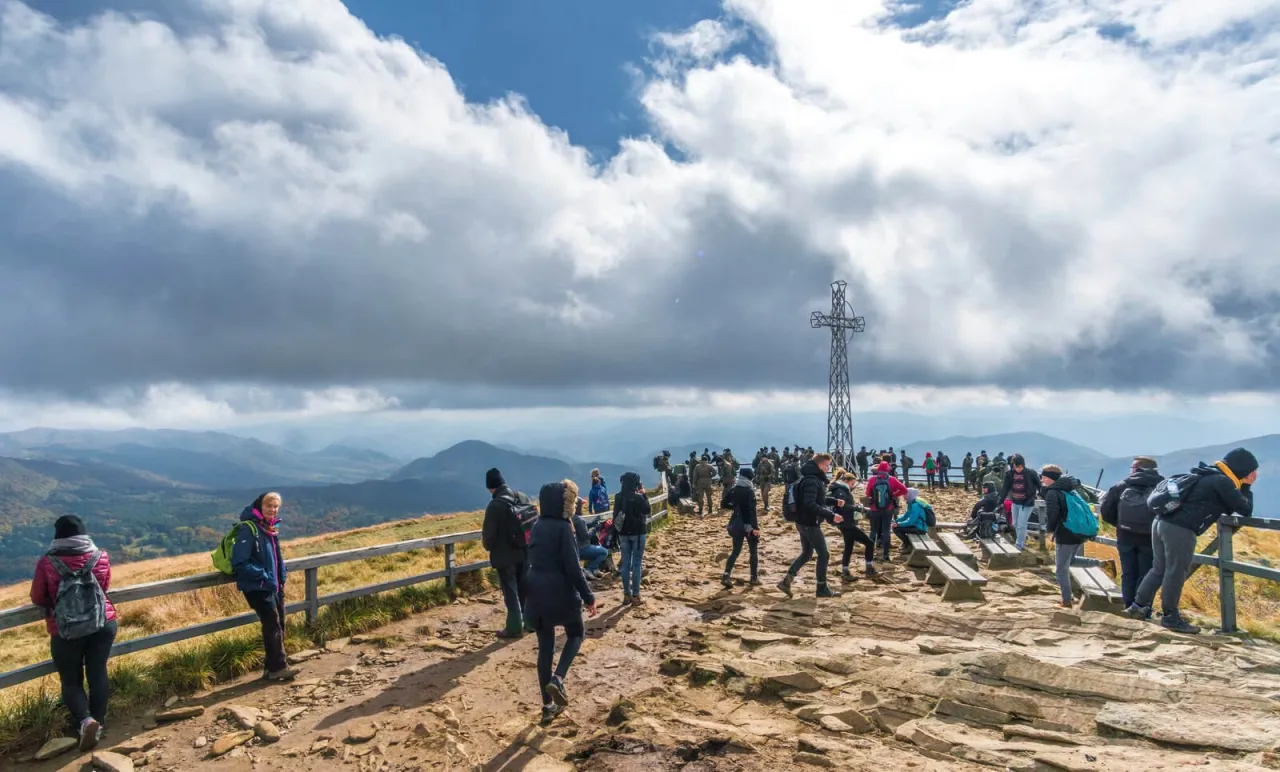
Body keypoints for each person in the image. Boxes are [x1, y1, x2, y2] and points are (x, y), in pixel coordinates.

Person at [1127, 448, 1257, 634]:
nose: (1255, 474)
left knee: (1159, 568)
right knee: (1176, 572)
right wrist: (1247, 485)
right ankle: (1170, 617)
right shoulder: (1223, 482)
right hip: (1181, 529)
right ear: (1243, 470)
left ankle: (1137, 607)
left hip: (1161, 522)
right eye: (1252, 470)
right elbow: (1245, 509)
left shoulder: (1207, 474)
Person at [30, 515, 118, 751]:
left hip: (66, 629)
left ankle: (85, 721)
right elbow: (105, 587)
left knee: (71, 680)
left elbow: (38, 598)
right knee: (98, 672)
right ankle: (98, 722)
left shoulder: (48, 562)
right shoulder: (100, 556)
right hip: (102, 624)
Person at [525, 480, 598, 724]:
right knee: (576, 633)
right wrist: (589, 597)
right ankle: (558, 678)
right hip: (560, 590)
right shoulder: (563, 528)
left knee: (545, 647)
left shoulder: (537, 526)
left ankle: (547, 706)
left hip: (535, 589)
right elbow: (573, 568)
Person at [230, 492, 298, 681]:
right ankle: (278, 667)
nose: (273, 509)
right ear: (260, 506)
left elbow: (276, 557)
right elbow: (239, 562)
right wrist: (265, 576)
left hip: (273, 585)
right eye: (269, 506)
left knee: (279, 622)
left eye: (276, 506)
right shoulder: (249, 529)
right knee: (272, 623)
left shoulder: (270, 527)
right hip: (258, 586)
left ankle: (271, 668)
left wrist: (280, 575)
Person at [777, 453, 845, 598]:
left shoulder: (807, 478)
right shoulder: (812, 480)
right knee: (824, 554)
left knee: (807, 553)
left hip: (802, 522)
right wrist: (831, 515)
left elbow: (815, 498)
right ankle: (821, 588)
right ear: (820, 465)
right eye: (827, 465)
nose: (828, 468)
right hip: (809, 523)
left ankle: (786, 581)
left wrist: (833, 501)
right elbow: (810, 504)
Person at [1099, 457, 1163, 609]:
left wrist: (1121, 525)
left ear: (1136, 469)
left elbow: (1106, 512)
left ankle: (1128, 607)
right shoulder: (1162, 486)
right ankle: (1143, 609)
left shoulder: (1121, 486)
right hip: (1150, 538)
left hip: (1125, 536)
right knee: (1147, 574)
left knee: (1128, 573)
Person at [1040, 466, 1103, 609]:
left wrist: (1050, 531)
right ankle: (1100, 563)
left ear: (1050, 478)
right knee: (1071, 560)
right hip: (1077, 533)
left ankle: (1066, 600)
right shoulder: (1070, 490)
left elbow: (1053, 514)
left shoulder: (1053, 493)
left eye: (1043, 476)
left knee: (1061, 569)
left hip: (1065, 533)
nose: (1042, 479)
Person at [483, 468, 531, 639]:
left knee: (510, 592)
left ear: (491, 487)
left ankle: (514, 627)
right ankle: (531, 622)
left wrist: (489, 547)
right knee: (525, 588)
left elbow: (488, 537)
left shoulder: (495, 506)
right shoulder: (522, 497)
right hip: (525, 552)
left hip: (505, 557)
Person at [614, 472, 652, 605]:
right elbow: (647, 510)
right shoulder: (638, 497)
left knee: (625, 564)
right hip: (638, 533)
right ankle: (636, 596)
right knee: (636, 564)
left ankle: (626, 595)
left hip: (623, 534)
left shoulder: (618, 497)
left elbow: (615, 516)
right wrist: (644, 494)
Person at [720, 467, 761, 587]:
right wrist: (754, 528)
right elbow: (751, 511)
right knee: (753, 551)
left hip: (737, 524)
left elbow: (724, 504)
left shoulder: (734, 489)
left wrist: (736, 509)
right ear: (749, 477)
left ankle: (726, 575)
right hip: (750, 525)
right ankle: (753, 578)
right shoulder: (749, 490)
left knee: (735, 551)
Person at [830, 470, 872, 581]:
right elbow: (843, 506)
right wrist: (858, 508)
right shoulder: (841, 491)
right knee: (870, 543)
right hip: (847, 523)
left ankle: (845, 572)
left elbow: (844, 505)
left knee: (849, 547)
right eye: (852, 483)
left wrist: (854, 505)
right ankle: (869, 569)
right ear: (846, 481)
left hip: (844, 523)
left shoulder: (840, 489)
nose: (853, 486)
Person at [864, 461, 908, 563]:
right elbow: (904, 489)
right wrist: (893, 495)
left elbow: (867, 493)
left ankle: (870, 553)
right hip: (888, 509)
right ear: (888, 469)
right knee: (886, 532)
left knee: (873, 531)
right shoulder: (892, 479)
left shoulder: (872, 479)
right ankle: (886, 555)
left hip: (874, 509)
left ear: (878, 469)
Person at [999, 454, 1042, 550]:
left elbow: (1040, 486)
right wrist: (1000, 500)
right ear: (1013, 465)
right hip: (1015, 501)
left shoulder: (1031, 473)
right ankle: (1022, 539)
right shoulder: (1010, 474)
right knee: (1015, 524)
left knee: (1021, 524)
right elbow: (1005, 488)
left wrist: (1045, 496)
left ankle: (1019, 545)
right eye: (1016, 467)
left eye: (1020, 467)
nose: (1019, 469)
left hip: (1027, 502)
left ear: (1023, 465)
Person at [572, 497, 611, 578]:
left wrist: (593, 523)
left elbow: (582, 528)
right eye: (581, 505)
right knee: (604, 552)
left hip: (574, 548)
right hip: (582, 548)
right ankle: (590, 569)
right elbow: (586, 537)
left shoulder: (572, 518)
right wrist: (596, 528)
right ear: (577, 506)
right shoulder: (579, 520)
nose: (582, 507)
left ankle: (594, 569)